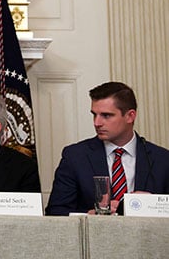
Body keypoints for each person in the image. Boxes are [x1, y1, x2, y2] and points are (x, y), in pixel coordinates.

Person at [46, 81, 169, 215]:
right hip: (93, 235)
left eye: (106, 115)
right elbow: (55, 212)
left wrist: (153, 205)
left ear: (130, 116)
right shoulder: (75, 157)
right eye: (94, 114)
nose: (96, 123)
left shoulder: (162, 159)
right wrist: (90, 216)